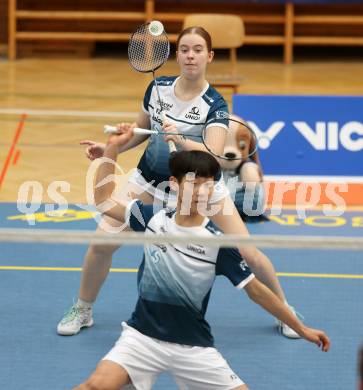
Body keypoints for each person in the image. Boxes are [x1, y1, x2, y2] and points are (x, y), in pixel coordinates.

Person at [58, 26, 299, 339]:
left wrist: (183, 139)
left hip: (200, 188)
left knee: (249, 253)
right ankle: (83, 308)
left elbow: (212, 155)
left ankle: (286, 311)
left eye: (198, 49)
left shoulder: (215, 104)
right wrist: (111, 148)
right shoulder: (157, 88)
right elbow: (141, 134)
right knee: (102, 242)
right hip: (150, 182)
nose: (190, 55)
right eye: (185, 49)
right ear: (176, 54)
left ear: (209, 56)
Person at [73, 136, 330, 390]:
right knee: (95, 386)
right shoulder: (153, 218)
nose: (201, 192)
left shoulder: (217, 243)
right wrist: (114, 148)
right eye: (194, 183)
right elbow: (104, 201)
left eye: (208, 186)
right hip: (142, 338)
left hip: (193, 347)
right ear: (174, 184)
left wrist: (301, 327)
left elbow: (256, 291)